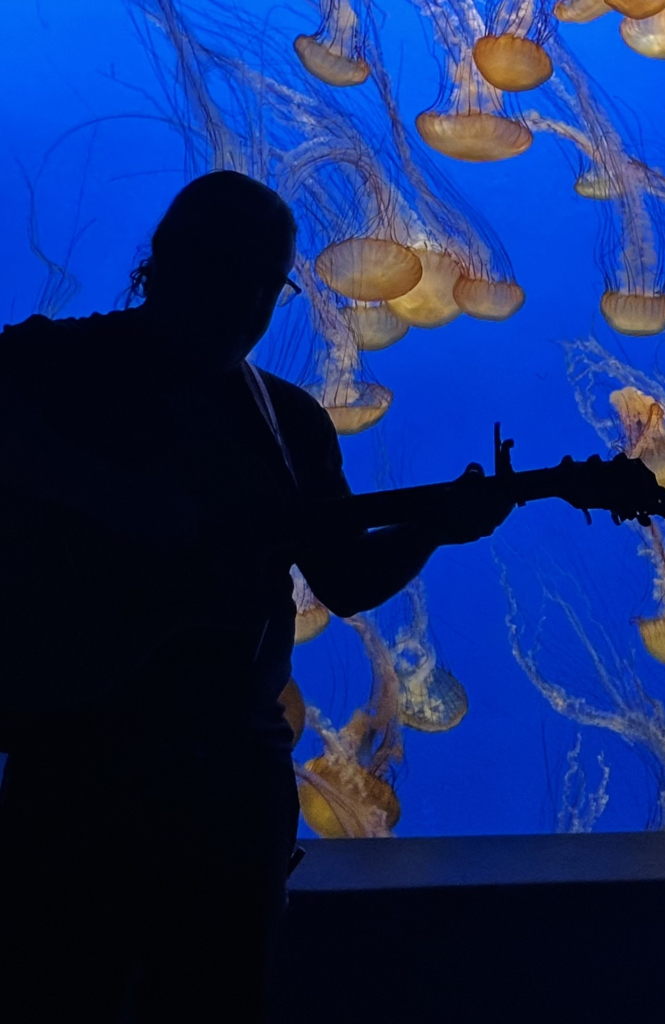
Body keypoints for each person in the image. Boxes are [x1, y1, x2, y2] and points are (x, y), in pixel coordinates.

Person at [0, 170, 512, 1022]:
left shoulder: (290, 419)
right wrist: (100, 492)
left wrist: (432, 529)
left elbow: (343, 582)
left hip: (232, 782)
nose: (240, 304)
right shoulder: (62, 363)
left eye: (260, 285)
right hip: (78, 759)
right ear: (161, 262)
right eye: (219, 271)